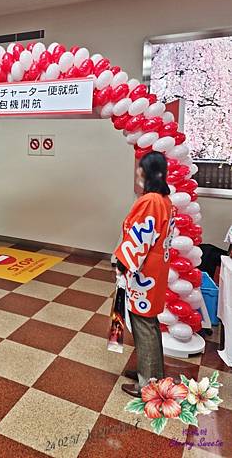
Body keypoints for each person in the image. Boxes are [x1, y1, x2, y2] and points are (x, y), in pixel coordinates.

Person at [115, 151, 175, 397]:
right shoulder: (164, 200)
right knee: (149, 321)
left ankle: (148, 384)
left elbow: (140, 239)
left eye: (141, 167)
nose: (137, 171)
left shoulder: (150, 200)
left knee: (144, 323)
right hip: (156, 268)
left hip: (144, 271)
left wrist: (122, 264)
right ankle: (151, 372)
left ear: (147, 172)